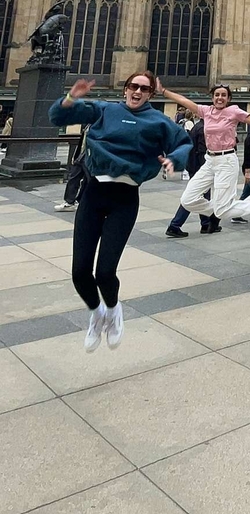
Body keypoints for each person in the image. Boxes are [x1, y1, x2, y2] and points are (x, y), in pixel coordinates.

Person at [49, 72, 191, 351]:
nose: (137, 91)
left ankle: (113, 311)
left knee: (105, 272)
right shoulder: (105, 109)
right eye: (133, 86)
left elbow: (184, 143)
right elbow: (57, 117)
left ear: (150, 93)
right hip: (93, 194)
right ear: (126, 89)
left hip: (124, 199)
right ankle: (96, 313)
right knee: (79, 272)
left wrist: (173, 159)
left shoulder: (159, 121)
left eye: (144, 88)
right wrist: (70, 97)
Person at [160, 83, 250, 231]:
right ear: (212, 97)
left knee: (222, 208)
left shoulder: (233, 111)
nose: (220, 98)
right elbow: (184, 101)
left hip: (226, 160)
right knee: (187, 200)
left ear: (228, 99)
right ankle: (222, 210)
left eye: (223, 95)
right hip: (209, 160)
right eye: (217, 95)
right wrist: (164, 91)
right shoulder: (206, 111)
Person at [166, 120, 216, 237]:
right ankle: (175, 225)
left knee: (202, 195)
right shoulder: (204, 129)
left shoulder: (197, 126)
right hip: (199, 168)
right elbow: (203, 152)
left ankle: (205, 224)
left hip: (193, 165)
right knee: (192, 198)